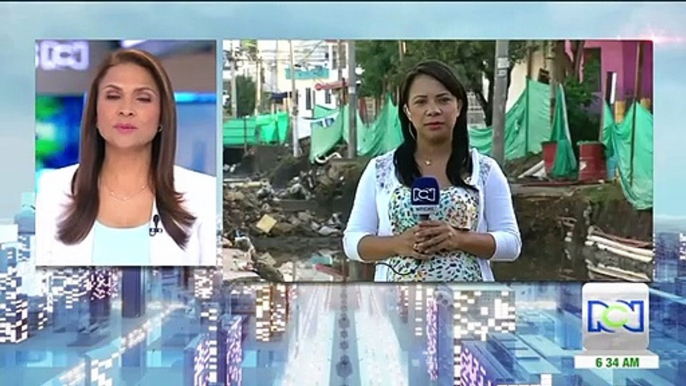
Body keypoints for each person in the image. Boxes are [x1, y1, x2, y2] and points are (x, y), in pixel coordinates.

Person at [343, 59, 521, 282]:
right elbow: (352, 242)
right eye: (421, 102)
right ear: (407, 111)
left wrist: (459, 239)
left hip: (468, 307)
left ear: (459, 106)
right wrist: (397, 244)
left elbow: (512, 244)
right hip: (395, 309)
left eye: (443, 100)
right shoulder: (381, 170)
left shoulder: (484, 170)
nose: (433, 110)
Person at [35, 48, 216, 267]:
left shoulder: (205, 195)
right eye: (113, 96)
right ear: (94, 112)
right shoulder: (53, 191)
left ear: (162, 115)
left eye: (142, 98)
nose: (126, 110)